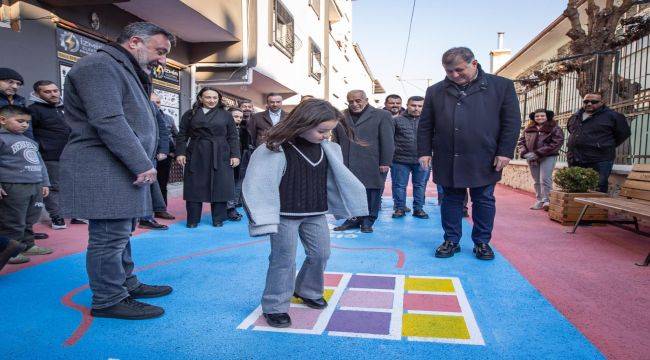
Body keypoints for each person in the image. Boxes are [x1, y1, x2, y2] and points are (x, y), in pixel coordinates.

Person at [60, 22, 175, 319]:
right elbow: (108, 120)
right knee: (109, 237)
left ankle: (125, 283)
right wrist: (141, 162)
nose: (162, 59)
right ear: (135, 42)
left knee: (120, 234)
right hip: (104, 166)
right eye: (160, 51)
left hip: (116, 165)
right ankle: (108, 299)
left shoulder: (123, 69)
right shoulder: (98, 65)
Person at [242, 99, 368, 328]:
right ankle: (275, 306)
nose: (326, 135)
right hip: (284, 216)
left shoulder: (328, 149)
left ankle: (307, 289)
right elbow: (258, 183)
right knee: (283, 260)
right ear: (303, 124)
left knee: (321, 253)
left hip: (316, 213)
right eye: (321, 131)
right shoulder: (276, 148)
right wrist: (262, 216)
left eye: (329, 131)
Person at [417, 47, 521, 261]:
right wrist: (424, 151)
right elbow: (425, 125)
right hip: (447, 155)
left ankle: (482, 242)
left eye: (459, 70)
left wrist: (504, 151)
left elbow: (511, 123)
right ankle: (451, 240)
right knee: (450, 200)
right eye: (449, 71)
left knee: (483, 199)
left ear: (474, 64)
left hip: (484, 155)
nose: (454, 75)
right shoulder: (435, 91)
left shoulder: (501, 86)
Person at [175, 87, 241, 227]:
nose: (211, 100)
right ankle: (193, 220)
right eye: (208, 97)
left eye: (214, 98)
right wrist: (180, 152)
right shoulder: (190, 114)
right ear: (200, 98)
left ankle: (218, 219)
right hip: (196, 152)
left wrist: (235, 155)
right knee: (194, 186)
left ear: (218, 99)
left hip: (220, 152)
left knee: (220, 185)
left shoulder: (226, 115)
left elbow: (233, 136)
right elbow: (182, 135)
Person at [333, 90, 395, 233]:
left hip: (373, 161)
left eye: (358, 100)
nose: (354, 104)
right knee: (350, 191)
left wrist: (385, 161)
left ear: (366, 100)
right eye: (350, 101)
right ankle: (353, 219)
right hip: (347, 161)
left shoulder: (382, 115)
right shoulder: (340, 116)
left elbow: (388, 141)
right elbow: (335, 140)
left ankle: (368, 220)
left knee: (372, 191)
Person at [0, 105, 53, 265]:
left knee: (30, 218)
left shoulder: (29, 141)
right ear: (2, 120)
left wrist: (45, 182)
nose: (25, 125)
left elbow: (40, 163)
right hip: (13, 185)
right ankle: (10, 251)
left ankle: (27, 245)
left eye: (27, 122)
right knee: (13, 220)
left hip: (35, 185)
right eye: (20, 121)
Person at [567, 93, 631, 193]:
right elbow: (572, 131)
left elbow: (623, 134)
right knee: (575, 186)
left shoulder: (613, 116)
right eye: (586, 101)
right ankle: (576, 209)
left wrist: (603, 145)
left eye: (594, 102)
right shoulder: (576, 116)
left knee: (598, 187)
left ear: (602, 102)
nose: (589, 103)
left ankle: (595, 209)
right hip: (575, 158)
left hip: (600, 159)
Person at [28, 80, 71, 229]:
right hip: (50, 155)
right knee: (53, 188)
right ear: (37, 94)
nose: (53, 94)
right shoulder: (33, 110)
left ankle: (75, 213)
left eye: (55, 90)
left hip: (70, 154)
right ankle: (56, 217)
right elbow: (28, 133)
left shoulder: (65, 108)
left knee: (72, 184)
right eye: (47, 91)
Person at [138, 93, 173, 230]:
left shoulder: (154, 110)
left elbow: (163, 131)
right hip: (129, 152)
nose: (157, 104)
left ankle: (146, 218)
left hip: (150, 155)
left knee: (148, 186)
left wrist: (163, 150)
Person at [517, 109, 564, 210]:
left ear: (547, 116)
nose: (540, 118)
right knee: (536, 180)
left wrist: (538, 153)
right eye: (537, 116)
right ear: (534, 118)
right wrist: (524, 153)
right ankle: (539, 200)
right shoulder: (529, 129)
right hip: (531, 157)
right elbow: (521, 142)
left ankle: (547, 200)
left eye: (542, 116)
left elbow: (557, 142)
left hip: (547, 156)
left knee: (545, 179)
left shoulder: (554, 128)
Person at [391, 95, 429, 219]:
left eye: (419, 106)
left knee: (420, 185)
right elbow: (389, 139)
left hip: (422, 160)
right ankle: (399, 209)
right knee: (399, 186)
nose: (416, 108)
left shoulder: (429, 121)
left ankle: (418, 209)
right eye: (413, 105)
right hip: (400, 160)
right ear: (407, 105)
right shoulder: (396, 120)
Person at [151, 92, 178, 214]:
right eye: (153, 102)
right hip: (147, 155)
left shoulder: (168, 118)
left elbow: (175, 136)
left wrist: (173, 152)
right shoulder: (141, 116)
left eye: (158, 102)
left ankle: (161, 209)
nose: (156, 105)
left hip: (164, 156)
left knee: (162, 183)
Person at [227, 107, 250, 213]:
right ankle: (229, 206)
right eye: (235, 116)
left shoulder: (243, 129)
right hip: (227, 158)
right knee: (230, 182)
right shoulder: (223, 129)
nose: (239, 119)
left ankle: (234, 204)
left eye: (240, 117)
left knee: (238, 181)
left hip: (242, 157)